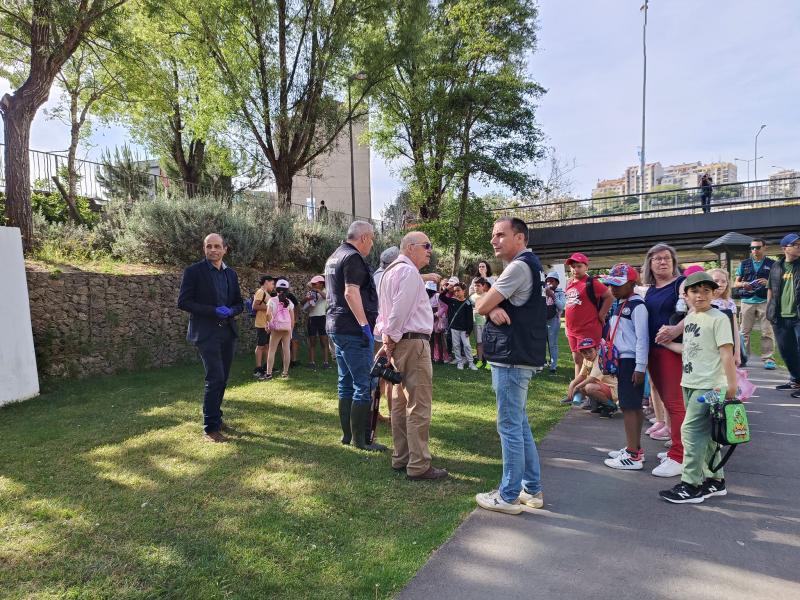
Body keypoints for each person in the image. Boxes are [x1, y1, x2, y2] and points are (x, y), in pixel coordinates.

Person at [475, 217, 547, 515]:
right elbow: (485, 303)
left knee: (509, 426)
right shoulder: (531, 266)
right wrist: (491, 308)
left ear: (520, 239)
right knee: (520, 424)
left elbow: (479, 305)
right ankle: (531, 489)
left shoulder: (518, 267)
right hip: (521, 355)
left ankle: (507, 496)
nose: (494, 240)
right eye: (493, 235)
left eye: (500, 235)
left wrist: (487, 306)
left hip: (512, 357)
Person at [658, 271, 737, 503]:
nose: (700, 296)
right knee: (708, 436)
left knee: (690, 433)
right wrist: (668, 344)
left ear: (715, 293)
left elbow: (726, 353)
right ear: (686, 295)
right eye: (694, 291)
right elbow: (690, 350)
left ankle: (690, 485)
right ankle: (715, 481)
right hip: (690, 383)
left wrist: (731, 387)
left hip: (710, 387)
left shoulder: (719, 318)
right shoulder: (691, 318)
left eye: (706, 291)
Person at [375, 231, 447, 480]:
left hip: (399, 343)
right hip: (412, 343)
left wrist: (387, 340)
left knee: (399, 404)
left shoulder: (389, 273)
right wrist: (389, 339)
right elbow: (398, 311)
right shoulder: (408, 272)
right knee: (418, 404)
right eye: (426, 245)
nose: (430, 250)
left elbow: (384, 313)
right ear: (410, 247)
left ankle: (402, 457)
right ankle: (418, 464)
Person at [324, 221, 385, 451]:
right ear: (364, 238)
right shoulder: (353, 258)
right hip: (352, 329)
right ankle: (361, 440)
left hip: (336, 326)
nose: (372, 245)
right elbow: (351, 292)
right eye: (372, 239)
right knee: (362, 384)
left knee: (345, 383)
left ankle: (347, 436)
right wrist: (364, 326)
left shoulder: (334, 256)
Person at [177, 233, 244, 442]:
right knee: (214, 377)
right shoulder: (193, 272)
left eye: (217, 246)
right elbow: (184, 302)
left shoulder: (231, 274)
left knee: (222, 378)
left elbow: (239, 304)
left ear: (225, 249)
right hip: (206, 333)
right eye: (209, 246)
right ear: (204, 249)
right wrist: (213, 310)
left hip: (227, 331)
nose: (213, 250)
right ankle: (210, 428)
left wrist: (231, 311)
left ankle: (217, 416)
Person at [642, 243, 686, 478]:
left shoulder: (682, 284)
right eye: (657, 258)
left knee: (676, 403)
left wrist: (675, 329)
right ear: (650, 263)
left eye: (667, 258)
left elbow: (697, 311)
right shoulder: (649, 290)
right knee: (668, 404)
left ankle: (681, 455)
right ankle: (677, 449)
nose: (662, 262)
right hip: (653, 351)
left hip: (671, 351)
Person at [601, 263, 650, 470]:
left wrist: (640, 367)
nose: (613, 289)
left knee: (630, 407)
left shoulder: (637, 305)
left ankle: (633, 455)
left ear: (632, 283)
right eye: (610, 284)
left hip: (631, 361)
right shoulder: (621, 303)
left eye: (618, 285)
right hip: (623, 360)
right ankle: (635, 448)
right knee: (631, 405)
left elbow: (642, 338)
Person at [564, 252, 614, 378]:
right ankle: (578, 392)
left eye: (579, 266)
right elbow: (569, 304)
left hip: (588, 328)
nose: (575, 269)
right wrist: (566, 327)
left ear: (586, 267)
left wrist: (602, 314)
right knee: (577, 359)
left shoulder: (592, 283)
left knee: (590, 360)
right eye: (573, 266)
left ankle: (590, 391)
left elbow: (609, 296)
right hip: (572, 330)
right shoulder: (569, 283)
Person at [767, 233, 800, 397]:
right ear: (785, 248)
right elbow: (770, 289)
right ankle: (796, 379)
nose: (799, 246)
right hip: (780, 317)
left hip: (798, 316)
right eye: (796, 244)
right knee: (787, 351)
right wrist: (770, 309)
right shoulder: (776, 266)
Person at [735, 238, 776, 369]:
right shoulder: (744, 264)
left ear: (764, 248)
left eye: (758, 247)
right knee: (744, 332)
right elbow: (735, 283)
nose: (755, 250)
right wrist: (743, 284)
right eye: (752, 248)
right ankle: (743, 357)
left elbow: (778, 283)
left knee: (767, 331)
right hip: (747, 301)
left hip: (765, 301)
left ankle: (768, 358)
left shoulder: (773, 264)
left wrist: (768, 282)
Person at [566, 338, 618, 416]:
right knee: (583, 386)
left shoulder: (599, 359)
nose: (588, 355)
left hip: (611, 389)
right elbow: (582, 375)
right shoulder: (586, 360)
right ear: (581, 354)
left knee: (589, 387)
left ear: (596, 350)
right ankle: (597, 405)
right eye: (584, 353)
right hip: (601, 387)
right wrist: (572, 384)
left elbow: (592, 378)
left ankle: (611, 405)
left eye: (590, 351)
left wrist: (576, 387)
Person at [440, 282, 477, 370]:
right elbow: (441, 297)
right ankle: (459, 362)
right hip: (454, 328)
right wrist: (447, 289)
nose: (456, 293)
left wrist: (469, 330)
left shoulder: (467, 303)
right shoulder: (452, 301)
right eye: (455, 291)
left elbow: (470, 318)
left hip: (464, 330)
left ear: (464, 291)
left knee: (467, 346)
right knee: (456, 345)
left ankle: (471, 362)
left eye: (458, 290)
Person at [709, 268, 742, 366]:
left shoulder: (730, 303)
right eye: (716, 281)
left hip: (726, 345)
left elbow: (735, 330)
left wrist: (737, 353)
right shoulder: (703, 301)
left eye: (724, 281)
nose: (720, 284)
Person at [264, 279, 295, 380]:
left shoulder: (272, 300)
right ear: (287, 290)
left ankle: (269, 373)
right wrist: (290, 330)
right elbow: (292, 319)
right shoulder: (289, 302)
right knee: (286, 350)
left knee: (272, 350)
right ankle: (285, 373)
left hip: (276, 328)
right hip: (286, 328)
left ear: (276, 289)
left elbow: (268, 314)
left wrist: (269, 325)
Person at [302, 275, 330, 370]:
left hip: (322, 317)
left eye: (315, 283)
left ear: (321, 284)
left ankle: (326, 362)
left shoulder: (326, 290)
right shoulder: (311, 291)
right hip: (312, 318)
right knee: (312, 341)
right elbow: (302, 303)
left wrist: (317, 290)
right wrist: (307, 298)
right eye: (313, 283)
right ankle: (311, 362)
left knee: (324, 341)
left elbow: (326, 297)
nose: (313, 285)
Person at [252, 274, 275, 379]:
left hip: (266, 324)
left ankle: (266, 367)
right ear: (266, 282)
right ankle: (258, 369)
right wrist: (269, 308)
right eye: (272, 283)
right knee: (261, 346)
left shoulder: (266, 293)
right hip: (261, 324)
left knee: (266, 346)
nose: (273, 286)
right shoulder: (261, 292)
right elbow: (255, 305)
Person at [544, 271, 566, 375]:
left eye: (552, 281)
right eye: (547, 281)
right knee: (541, 343)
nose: (549, 283)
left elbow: (561, 306)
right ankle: (542, 362)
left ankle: (553, 366)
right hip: (542, 320)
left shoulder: (560, 293)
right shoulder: (543, 292)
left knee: (552, 344)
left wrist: (553, 296)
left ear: (557, 282)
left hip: (554, 321)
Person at [471, 277, 491, 369]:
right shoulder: (471, 297)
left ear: (483, 286)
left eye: (478, 285)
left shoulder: (488, 295)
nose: (476, 287)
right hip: (475, 323)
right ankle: (479, 360)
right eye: (475, 285)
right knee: (479, 342)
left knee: (487, 342)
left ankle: (488, 362)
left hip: (486, 323)